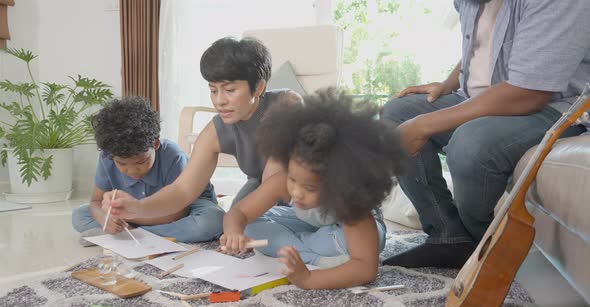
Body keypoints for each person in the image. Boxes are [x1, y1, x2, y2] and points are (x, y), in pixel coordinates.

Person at [381, 0, 590, 268]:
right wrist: (449, 82)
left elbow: (530, 92)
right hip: (481, 98)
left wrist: (423, 125)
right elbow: (484, 40)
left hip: (552, 107)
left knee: (471, 144)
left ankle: (484, 247)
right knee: (397, 113)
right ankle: (448, 237)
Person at [103, 37, 302, 226]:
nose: (219, 101)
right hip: (259, 183)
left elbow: (274, 178)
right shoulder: (215, 131)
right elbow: (182, 190)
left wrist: (241, 217)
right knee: (234, 224)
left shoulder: (286, 104)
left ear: (258, 87)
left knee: (248, 223)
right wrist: (138, 208)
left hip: (304, 184)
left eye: (230, 90)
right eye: (213, 90)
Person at [220, 89, 407, 289]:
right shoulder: (284, 181)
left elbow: (366, 269)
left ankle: (312, 258)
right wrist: (233, 232)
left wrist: (308, 279)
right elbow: (239, 212)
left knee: (345, 243)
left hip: (345, 235)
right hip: (311, 229)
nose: (297, 192)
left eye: (309, 187)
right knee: (250, 226)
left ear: (338, 181)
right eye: (293, 179)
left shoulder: (352, 202)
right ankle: (314, 254)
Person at [72, 96, 224, 244]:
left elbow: (177, 213)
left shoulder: (173, 156)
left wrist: (129, 216)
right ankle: (141, 234)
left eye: (141, 161)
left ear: (156, 144)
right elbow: (96, 201)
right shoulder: (107, 156)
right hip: (137, 211)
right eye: (122, 164)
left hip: (184, 207)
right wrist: (105, 219)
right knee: (79, 216)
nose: (132, 171)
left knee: (211, 221)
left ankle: (132, 235)